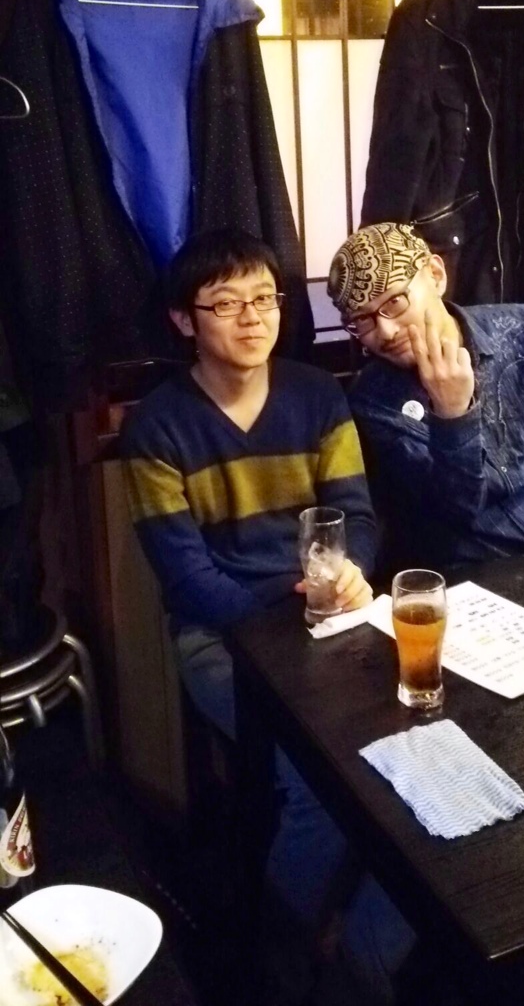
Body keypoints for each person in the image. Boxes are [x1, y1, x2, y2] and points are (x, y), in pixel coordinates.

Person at [121, 228, 413, 1003]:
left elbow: (355, 516)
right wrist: (284, 628)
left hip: (327, 616)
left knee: (413, 745)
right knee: (311, 779)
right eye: (226, 303)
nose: (253, 317)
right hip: (221, 636)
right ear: (184, 320)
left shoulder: (318, 396)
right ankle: (315, 947)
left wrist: (348, 574)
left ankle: (374, 930)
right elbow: (188, 578)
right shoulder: (157, 426)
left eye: (264, 298)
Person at [327, 222, 524, 576]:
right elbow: (457, 512)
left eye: (394, 302)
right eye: (362, 320)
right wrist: (453, 416)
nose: (386, 331)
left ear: (435, 275)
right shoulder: (373, 401)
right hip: (468, 574)